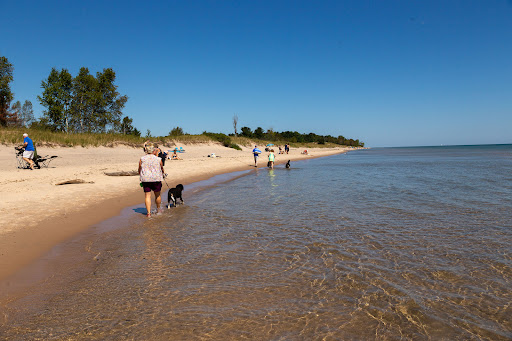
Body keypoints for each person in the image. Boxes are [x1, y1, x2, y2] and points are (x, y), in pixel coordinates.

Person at [138, 145, 165, 217]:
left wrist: (140, 175)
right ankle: (158, 210)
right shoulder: (158, 159)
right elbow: (161, 168)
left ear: (146, 151)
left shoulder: (142, 158)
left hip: (146, 179)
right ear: (154, 151)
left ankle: (149, 213)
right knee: (157, 195)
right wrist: (163, 173)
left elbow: (139, 168)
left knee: (147, 195)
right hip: (156, 178)